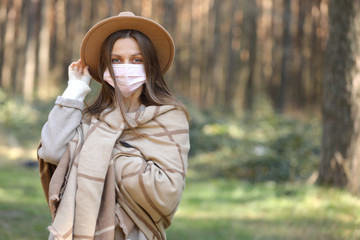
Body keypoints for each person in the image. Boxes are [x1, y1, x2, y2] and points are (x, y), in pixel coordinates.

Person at [37, 11, 190, 240]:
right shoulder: (90, 118)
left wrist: (101, 152)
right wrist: (75, 90)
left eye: (136, 60)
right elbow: (51, 150)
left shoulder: (169, 118)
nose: (125, 67)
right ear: (105, 67)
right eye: (116, 60)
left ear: (150, 67)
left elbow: (165, 193)